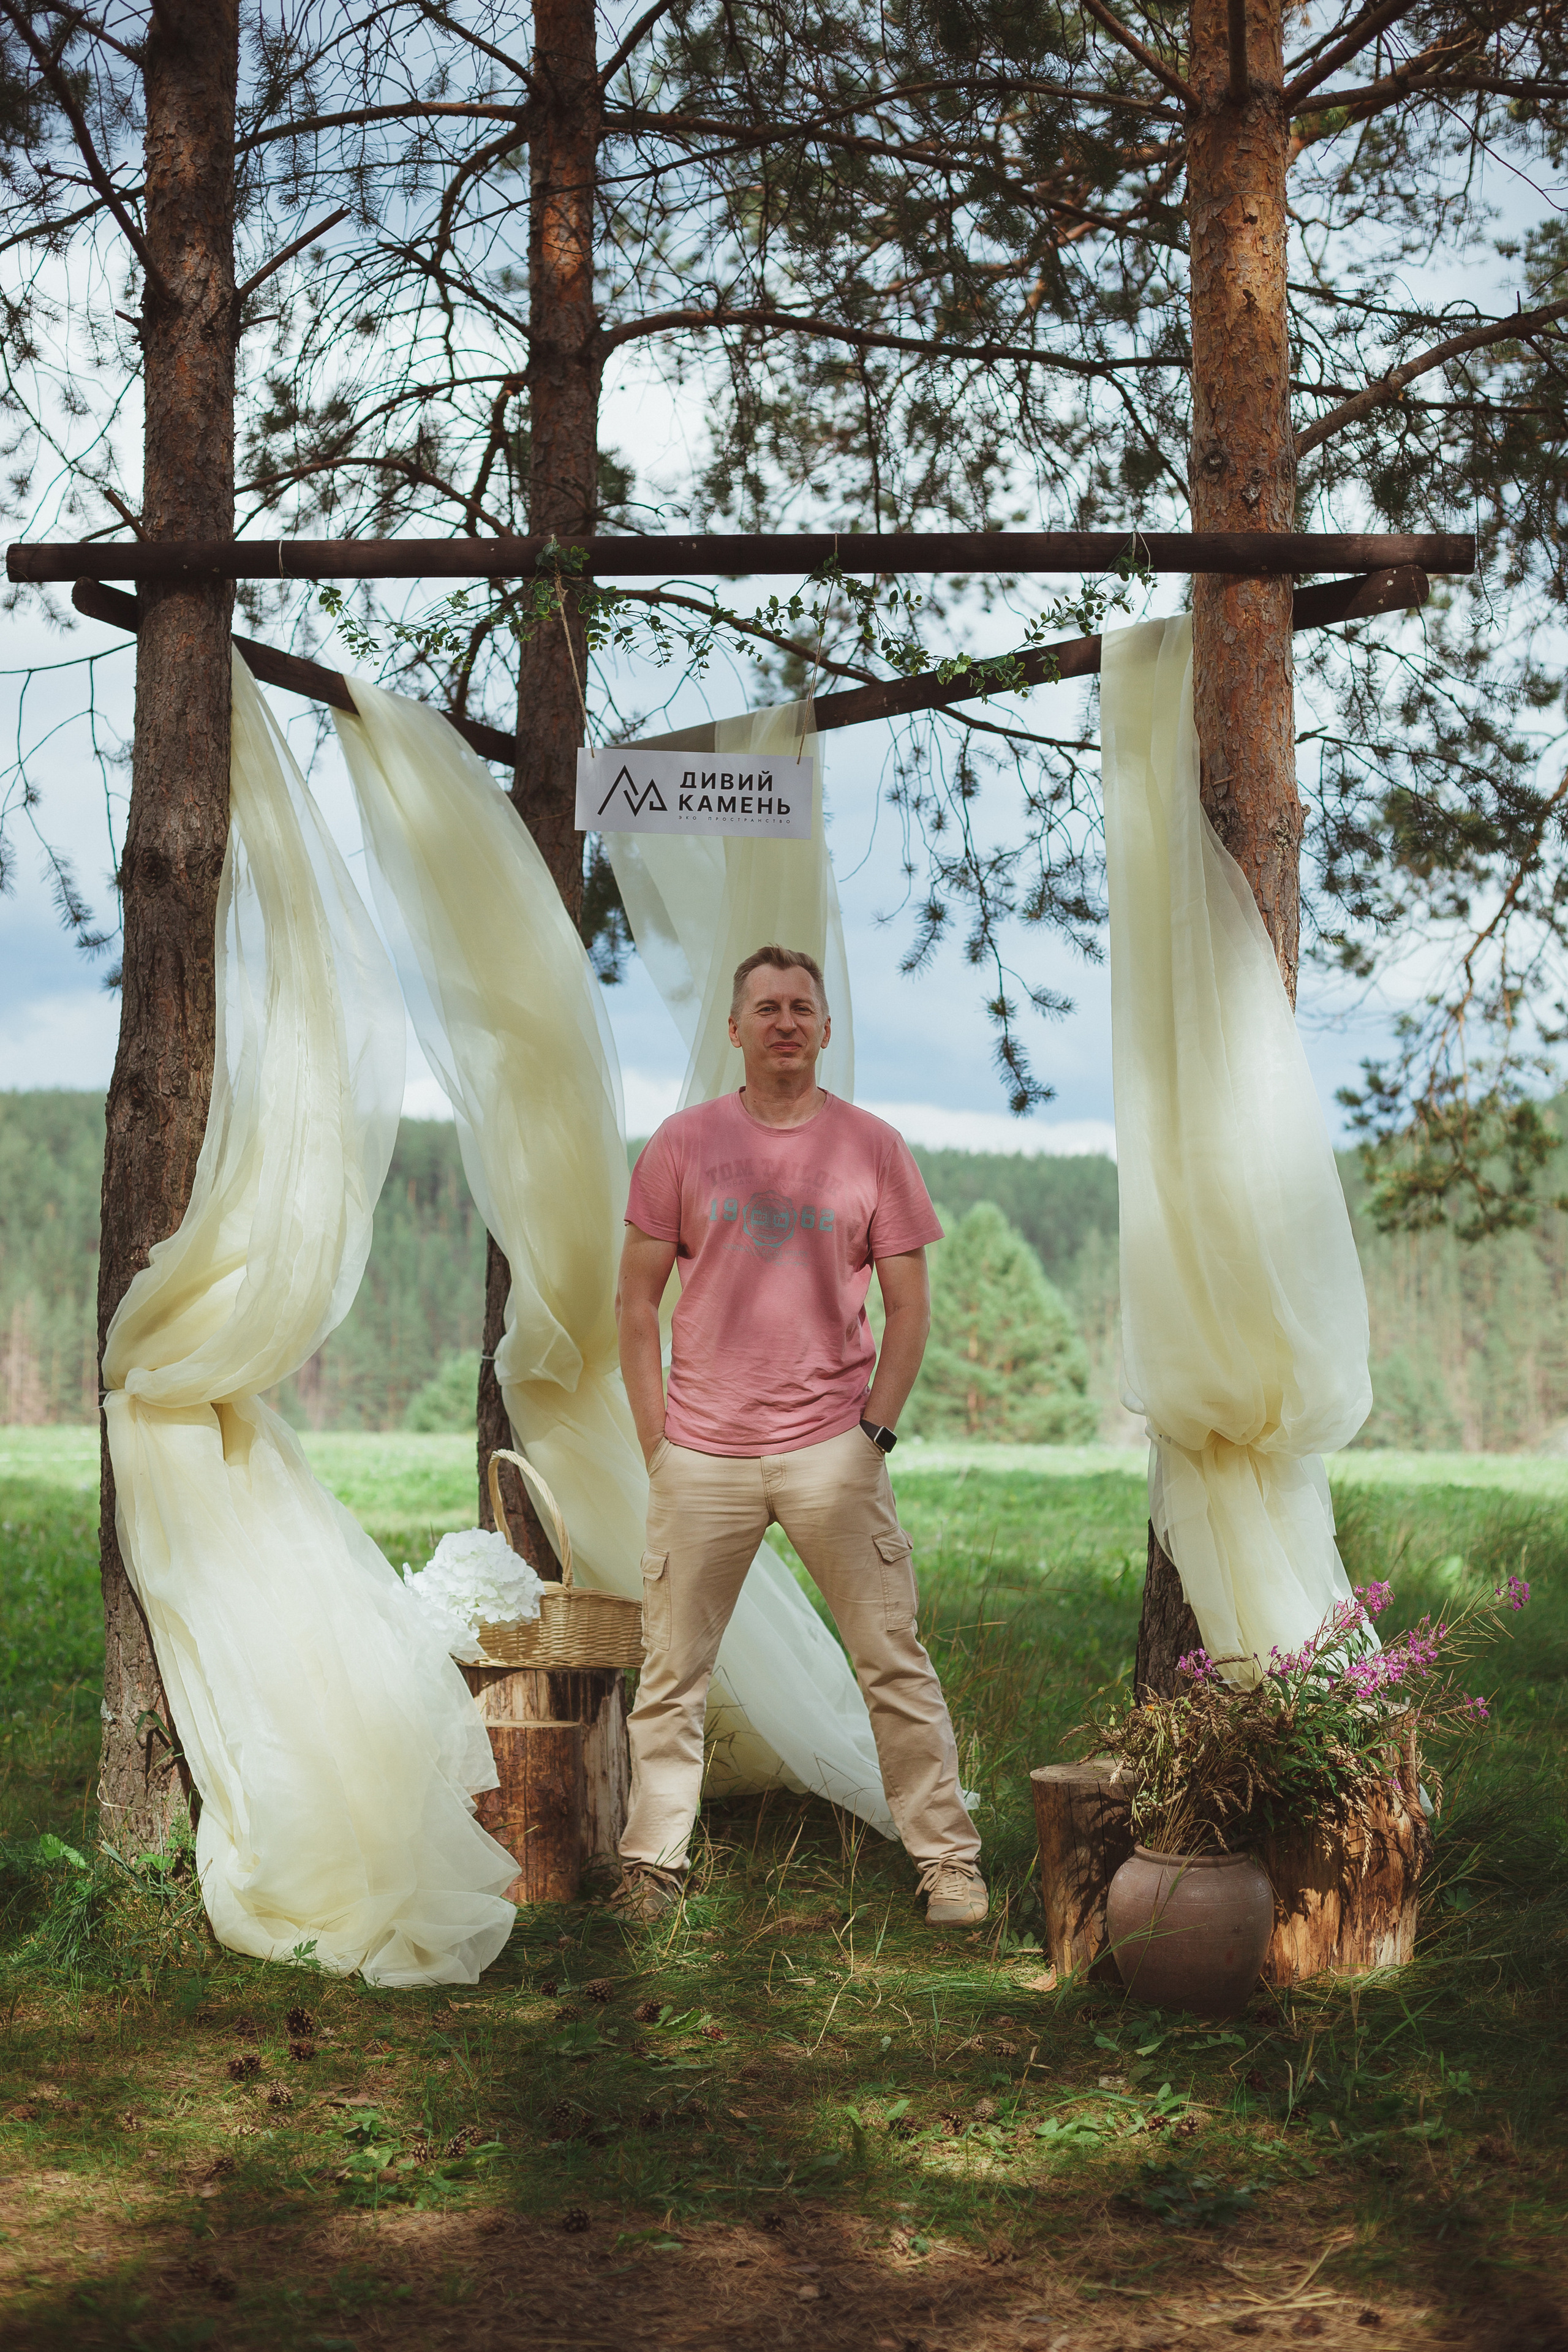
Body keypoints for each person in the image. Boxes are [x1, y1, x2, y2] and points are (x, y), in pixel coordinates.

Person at [611, 941, 986, 1927]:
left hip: (833, 1452)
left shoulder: (873, 1147)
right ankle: (652, 1864)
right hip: (703, 1453)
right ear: (736, 1030)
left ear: (825, 1028)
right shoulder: (682, 1143)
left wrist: (874, 1435)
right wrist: (658, 1441)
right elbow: (635, 1302)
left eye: (801, 1008)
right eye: (767, 1007)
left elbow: (910, 1308)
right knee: (672, 1674)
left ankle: (948, 1862)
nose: (785, 1021)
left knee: (893, 1662)